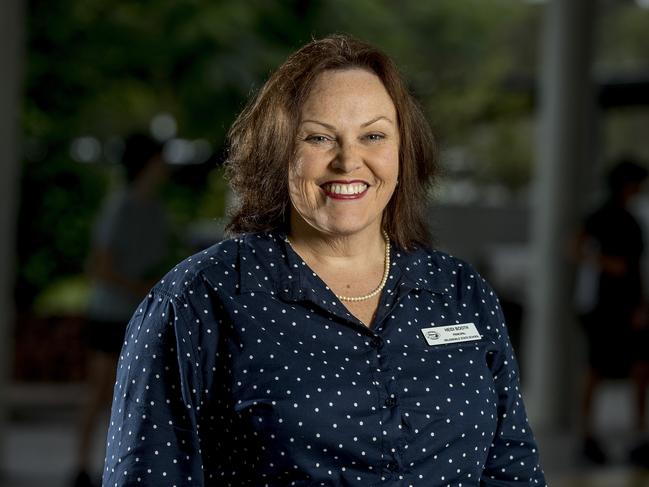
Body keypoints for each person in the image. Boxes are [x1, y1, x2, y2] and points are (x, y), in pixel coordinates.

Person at [102, 35, 546, 486]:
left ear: (402, 150)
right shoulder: (198, 302)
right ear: (279, 152)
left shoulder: (459, 293)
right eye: (318, 138)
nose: (349, 160)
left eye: (373, 135)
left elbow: (512, 470)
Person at [73, 134, 171, 487]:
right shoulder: (120, 207)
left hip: (140, 316)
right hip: (109, 314)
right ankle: (81, 467)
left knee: (136, 396)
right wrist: (139, 288)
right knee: (99, 393)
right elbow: (99, 265)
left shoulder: (157, 210)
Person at [576, 158, 649, 466]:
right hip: (604, 307)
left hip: (627, 305)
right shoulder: (602, 215)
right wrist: (606, 263)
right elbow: (575, 247)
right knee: (597, 369)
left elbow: (636, 269)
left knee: (639, 367)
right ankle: (588, 435)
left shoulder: (633, 219)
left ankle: (636, 434)